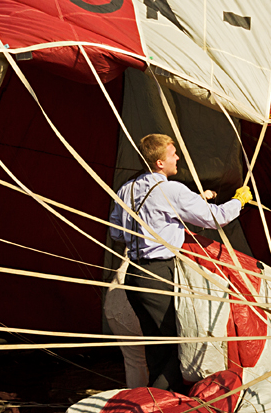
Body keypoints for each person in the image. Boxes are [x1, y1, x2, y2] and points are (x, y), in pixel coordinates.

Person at [108, 133, 252, 392]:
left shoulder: (126, 190)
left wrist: (158, 223)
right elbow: (216, 218)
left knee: (157, 349)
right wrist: (238, 202)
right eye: (173, 154)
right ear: (160, 162)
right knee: (182, 348)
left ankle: (158, 401)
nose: (177, 158)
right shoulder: (170, 190)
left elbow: (116, 234)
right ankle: (159, 402)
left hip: (134, 275)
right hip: (159, 274)